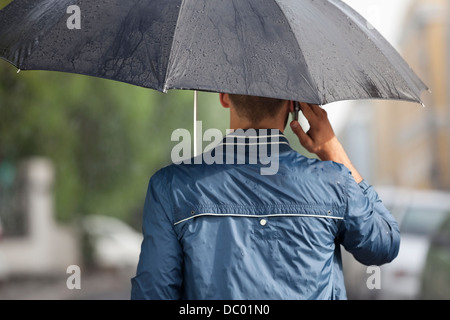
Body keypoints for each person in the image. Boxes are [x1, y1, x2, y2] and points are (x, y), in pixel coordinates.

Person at [130, 93, 400, 300]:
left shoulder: (170, 187)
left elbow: (153, 291)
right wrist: (334, 152)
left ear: (224, 98)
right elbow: (383, 243)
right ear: (293, 104)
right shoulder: (334, 182)